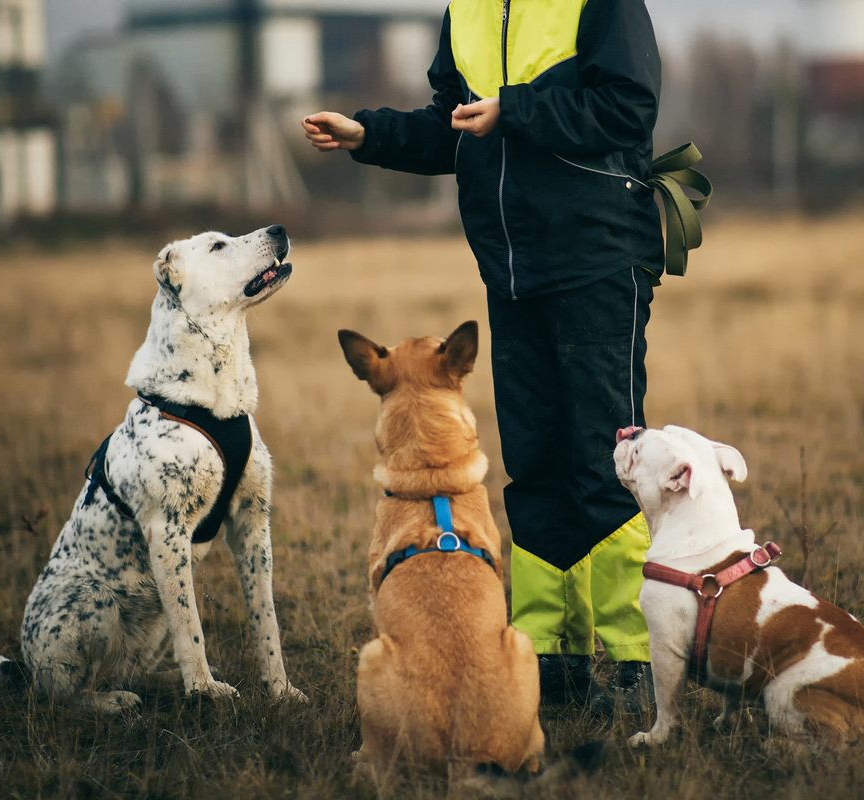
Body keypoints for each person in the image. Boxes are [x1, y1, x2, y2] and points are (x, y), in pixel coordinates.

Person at [303, 0, 663, 713]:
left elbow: (627, 109)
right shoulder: (464, 10)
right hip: (511, 272)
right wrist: (369, 134)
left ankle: (633, 663)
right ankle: (549, 657)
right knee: (532, 464)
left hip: (597, 258)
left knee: (606, 462)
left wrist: (516, 111)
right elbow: (454, 126)